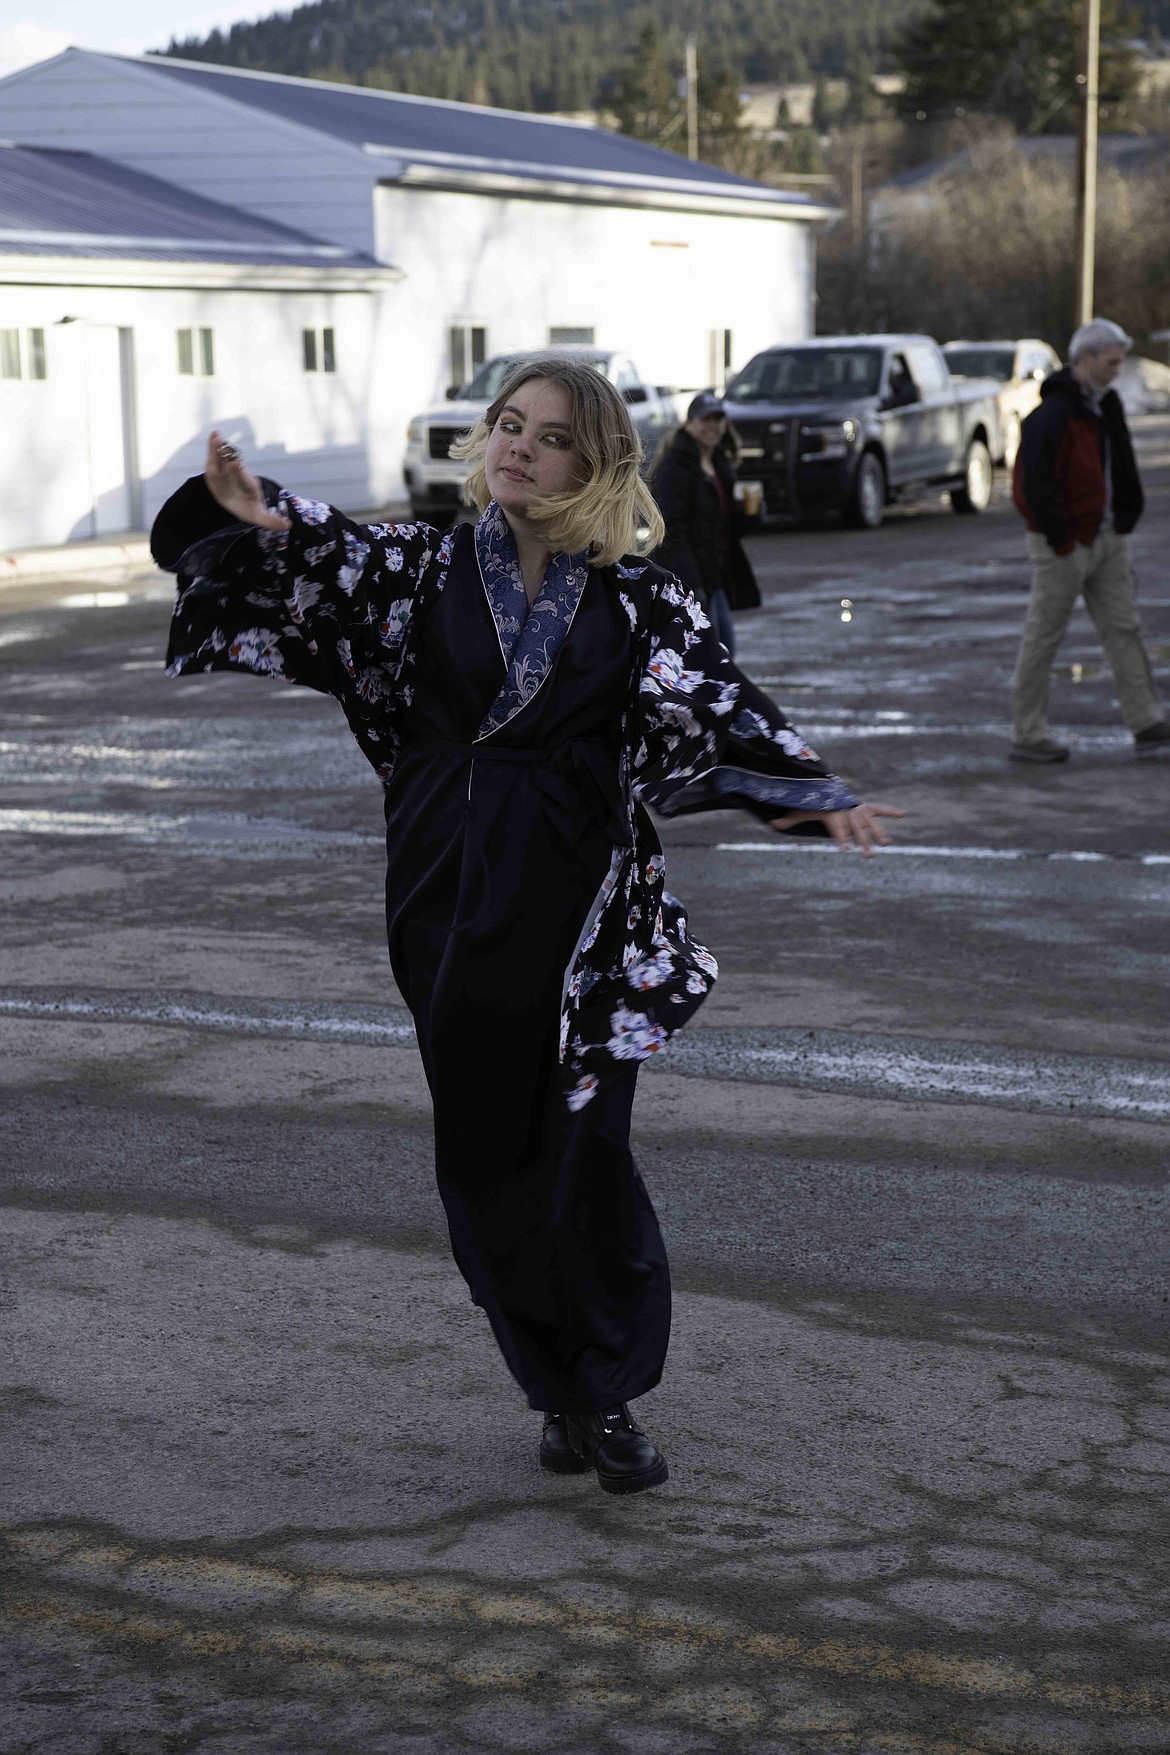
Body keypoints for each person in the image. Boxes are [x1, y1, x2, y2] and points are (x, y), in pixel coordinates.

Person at [152, 354, 902, 1496]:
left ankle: (601, 1392)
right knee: (490, 1148)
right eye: (508, 424)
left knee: (584, 1143)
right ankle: (558, 1385)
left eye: (549, 435)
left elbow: (721, 703)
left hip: (585, 896)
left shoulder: (641, 597)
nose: (516, 446)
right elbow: (330, 560)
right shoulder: (424, 564)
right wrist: (262, 516)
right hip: (447, 886)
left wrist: (811, 792)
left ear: (591, 461)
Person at [1010, 317, 1170, 762]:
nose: (1117, 368)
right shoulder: (1051, 416)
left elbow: (1121, 465)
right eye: (1111, 361)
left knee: (1125, 629)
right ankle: (1028, 733)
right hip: (1062, 544)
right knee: (1044, 637)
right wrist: (1061, 537)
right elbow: (1031, 487)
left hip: (1106, 538)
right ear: (1086, 358)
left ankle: (1147, 721)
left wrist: (1123, 517)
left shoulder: (1108, 405)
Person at [650, 391, 760, 659]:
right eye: (706, 419)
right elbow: (671, 531)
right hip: (691, 582)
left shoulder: (719, 464)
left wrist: (753, 513)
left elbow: (729, 528)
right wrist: (692, 585)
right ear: (689, 423)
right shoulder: (675, 467)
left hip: (716, 579)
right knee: (708, 659)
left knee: (724, 655)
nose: (713, 426)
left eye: (718, 419)